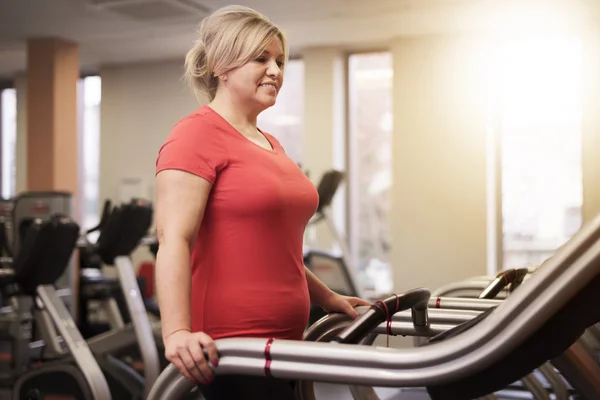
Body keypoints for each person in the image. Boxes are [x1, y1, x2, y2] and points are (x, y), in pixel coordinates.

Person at [154, 5, 371, 399]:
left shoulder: (269, 142)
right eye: (261, 58)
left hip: (285, 339)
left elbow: (272, 247)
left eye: (280, 61)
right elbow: (172, 238)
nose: (276, 70)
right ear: (222, 66)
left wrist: (326, 297)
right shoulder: (195, 135)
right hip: (230, 345)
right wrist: (177, 332)